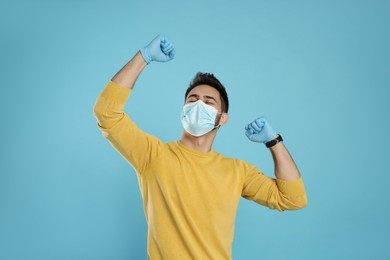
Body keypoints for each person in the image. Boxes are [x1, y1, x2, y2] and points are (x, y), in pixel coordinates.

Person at [93, 34, 307, 260]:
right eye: (192, 99)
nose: (198, 104)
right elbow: (107, 114)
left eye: (208, 102)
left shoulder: (237, 171)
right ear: (183, 109)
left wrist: (273, 141)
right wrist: (143, 57)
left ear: (222, 118)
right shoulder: (152, 155)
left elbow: (293, 198)